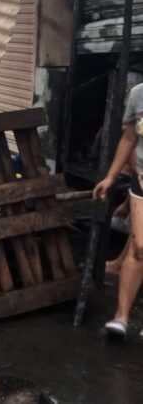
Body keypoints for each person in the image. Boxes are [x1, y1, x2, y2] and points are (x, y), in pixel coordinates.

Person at [94, 82, 143, 339]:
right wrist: (112, 176)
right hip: (142, 182)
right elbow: (129, 137)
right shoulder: (138, 94)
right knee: (140, 246)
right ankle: (121, 317)